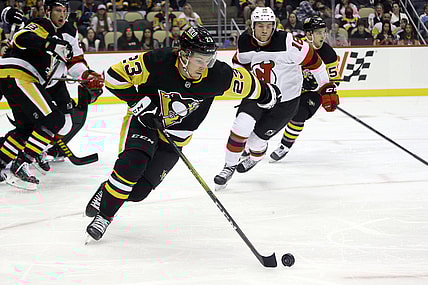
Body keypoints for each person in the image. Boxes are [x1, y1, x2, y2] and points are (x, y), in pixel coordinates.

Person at [83, 26, 282, 242]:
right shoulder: (157, 62)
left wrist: (267, 94)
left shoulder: (218, 75)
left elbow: (248, 84)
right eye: (199, 60)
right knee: (132, 166)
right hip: (146, 123)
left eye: (209, 59)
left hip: (176, 139)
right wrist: (142, 105)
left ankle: (107, 190)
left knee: (139, 192)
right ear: (184, 54)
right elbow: (113, 77)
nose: (205, 66)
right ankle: (104, 217)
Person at [213, 8, 337, 190]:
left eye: (269, 26)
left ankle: (256, 156)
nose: (264, 30)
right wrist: (243, 77)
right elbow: (239, 61)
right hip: (258, 92)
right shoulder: (245, 41)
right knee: (241, 125)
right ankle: (228, 166)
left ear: (274, 27)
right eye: (260, 26)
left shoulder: (288, 42)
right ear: (252, 26)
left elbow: (315, 62)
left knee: (255, 142)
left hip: (286, 100)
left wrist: (326, 87)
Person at [0, 0, 74, 189]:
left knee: (26, 129)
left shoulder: (55, 34)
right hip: (19, 74)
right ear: (47, 11)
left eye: (65, 11)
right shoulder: (43, 24)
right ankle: (22, 164)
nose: (62, 15)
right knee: (55, 119)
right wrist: (50, 43)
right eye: (58, 10)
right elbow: (22, 37)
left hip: (13, 76)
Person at [270, 16, 340, 162]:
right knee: (271, 112)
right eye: (319, 32)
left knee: (299, 114)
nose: (323, 36)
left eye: (323, 32)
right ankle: (257, 142)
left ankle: (284, 146)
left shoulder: (329, 54)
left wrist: (326, 90)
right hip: (292, 87)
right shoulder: (297, 47)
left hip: (313, 93)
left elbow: (333, 81)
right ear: (309, 34)